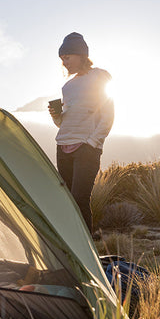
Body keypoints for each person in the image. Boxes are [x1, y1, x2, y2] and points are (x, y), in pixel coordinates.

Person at [48, 32, 114, 235]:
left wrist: (93, 142)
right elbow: (64, 123)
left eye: (67, 57)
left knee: (80, 198)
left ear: (81, 55)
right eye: (61, 59)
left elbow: (108, 113)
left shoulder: (99, 76)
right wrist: (55, 116)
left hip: (86, 148)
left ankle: (88, 252)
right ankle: (72, 247)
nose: (64, 62)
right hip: (63, 146)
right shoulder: (67, 86)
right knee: (68, 201)